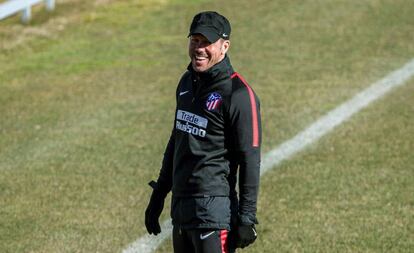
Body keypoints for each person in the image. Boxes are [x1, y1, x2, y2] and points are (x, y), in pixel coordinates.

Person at [145, 11, 262, 253]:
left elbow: (250, 158)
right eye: (195, 41)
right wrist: (159, 195)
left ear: (224, 46)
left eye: (207, 42)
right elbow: (177, 140)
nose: (199, 48)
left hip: (213, 213)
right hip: (181, 211)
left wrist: (247, 217)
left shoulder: (238, 94)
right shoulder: (186, 83)